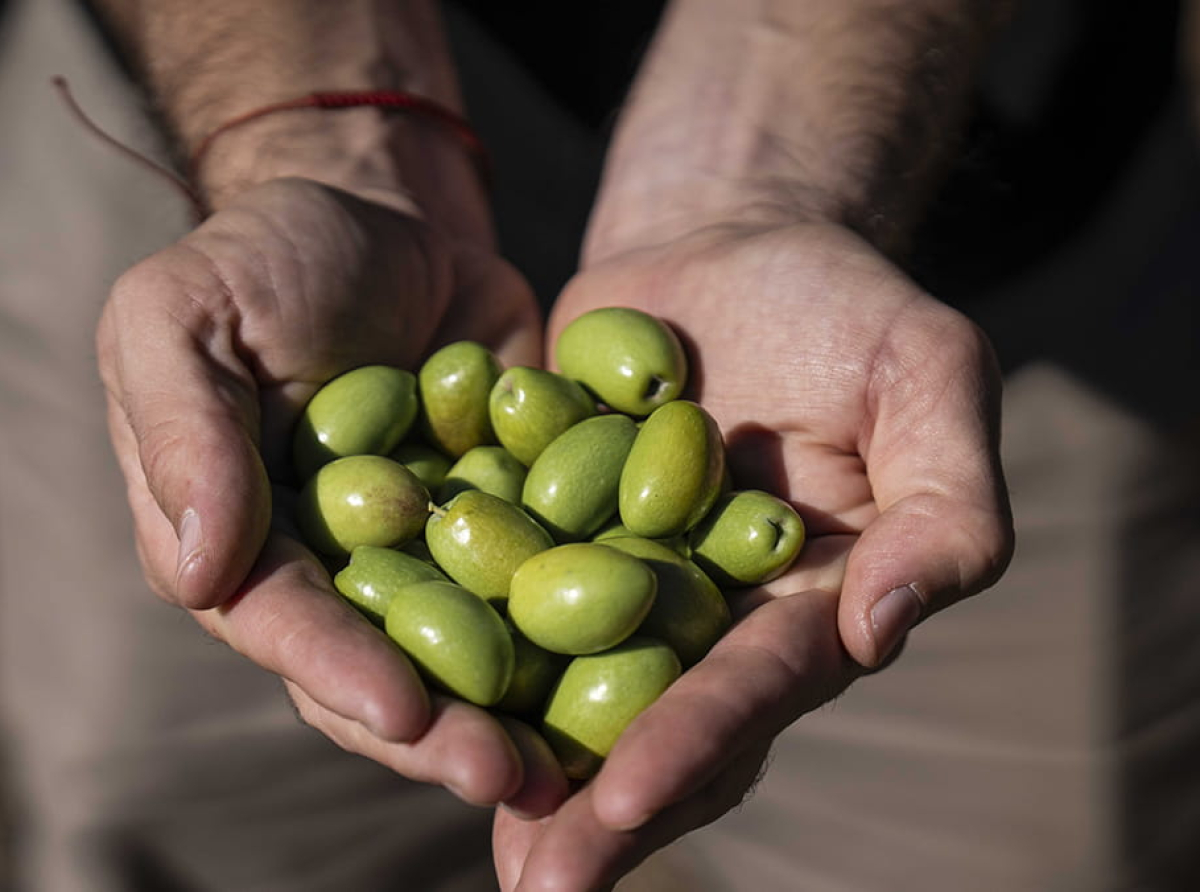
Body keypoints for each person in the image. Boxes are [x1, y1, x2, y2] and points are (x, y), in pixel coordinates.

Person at [1, 1, 1195, 891]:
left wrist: (764, 162)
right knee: (162, 823)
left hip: (970, 231)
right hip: (240, 154)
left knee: (1030, 853)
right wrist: (314, 133)